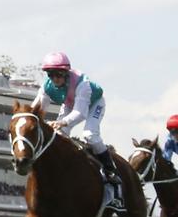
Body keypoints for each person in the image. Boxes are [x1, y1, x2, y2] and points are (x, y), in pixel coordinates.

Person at [29, 52, 117, 183]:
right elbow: (36, 110)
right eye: (51, 74)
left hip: (94, 104)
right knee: (59, 134)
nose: (55, 79)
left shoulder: (82, 84)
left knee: (90, 135)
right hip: (70, 103)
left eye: (58, 74)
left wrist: (62, 122)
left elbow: (80, 113)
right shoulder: (46, 87)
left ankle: (111, 170)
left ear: (66, 72)